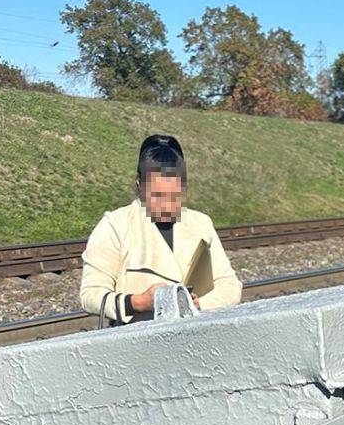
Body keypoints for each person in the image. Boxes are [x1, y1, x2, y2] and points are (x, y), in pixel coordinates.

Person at [80, 135, 242, 324]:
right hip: (136, 343)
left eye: (175, 196)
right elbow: (90, 295)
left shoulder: (201, 224)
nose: (167, 205)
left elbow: (230, 285)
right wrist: (139, 302)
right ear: (139, 185)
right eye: (157, 195)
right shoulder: (115, 225)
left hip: (197, 337)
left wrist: (199, 306)